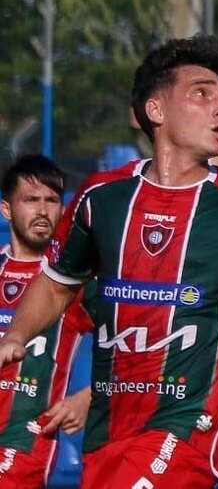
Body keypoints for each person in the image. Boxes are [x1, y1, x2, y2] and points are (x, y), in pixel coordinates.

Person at [0, 35, 218, 489]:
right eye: (202, 93)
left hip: (186, 431)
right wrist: (16, 334)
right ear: (156, 111)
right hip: (106, 435)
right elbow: (58, 284)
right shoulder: (101, 200)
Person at [0, 155, 92, 488]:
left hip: (23, 443)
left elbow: (139, 346)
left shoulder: (72, 285)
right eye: (31, 200)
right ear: (7, 209)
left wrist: (89, 397)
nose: (42, 210)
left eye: (52, 200)